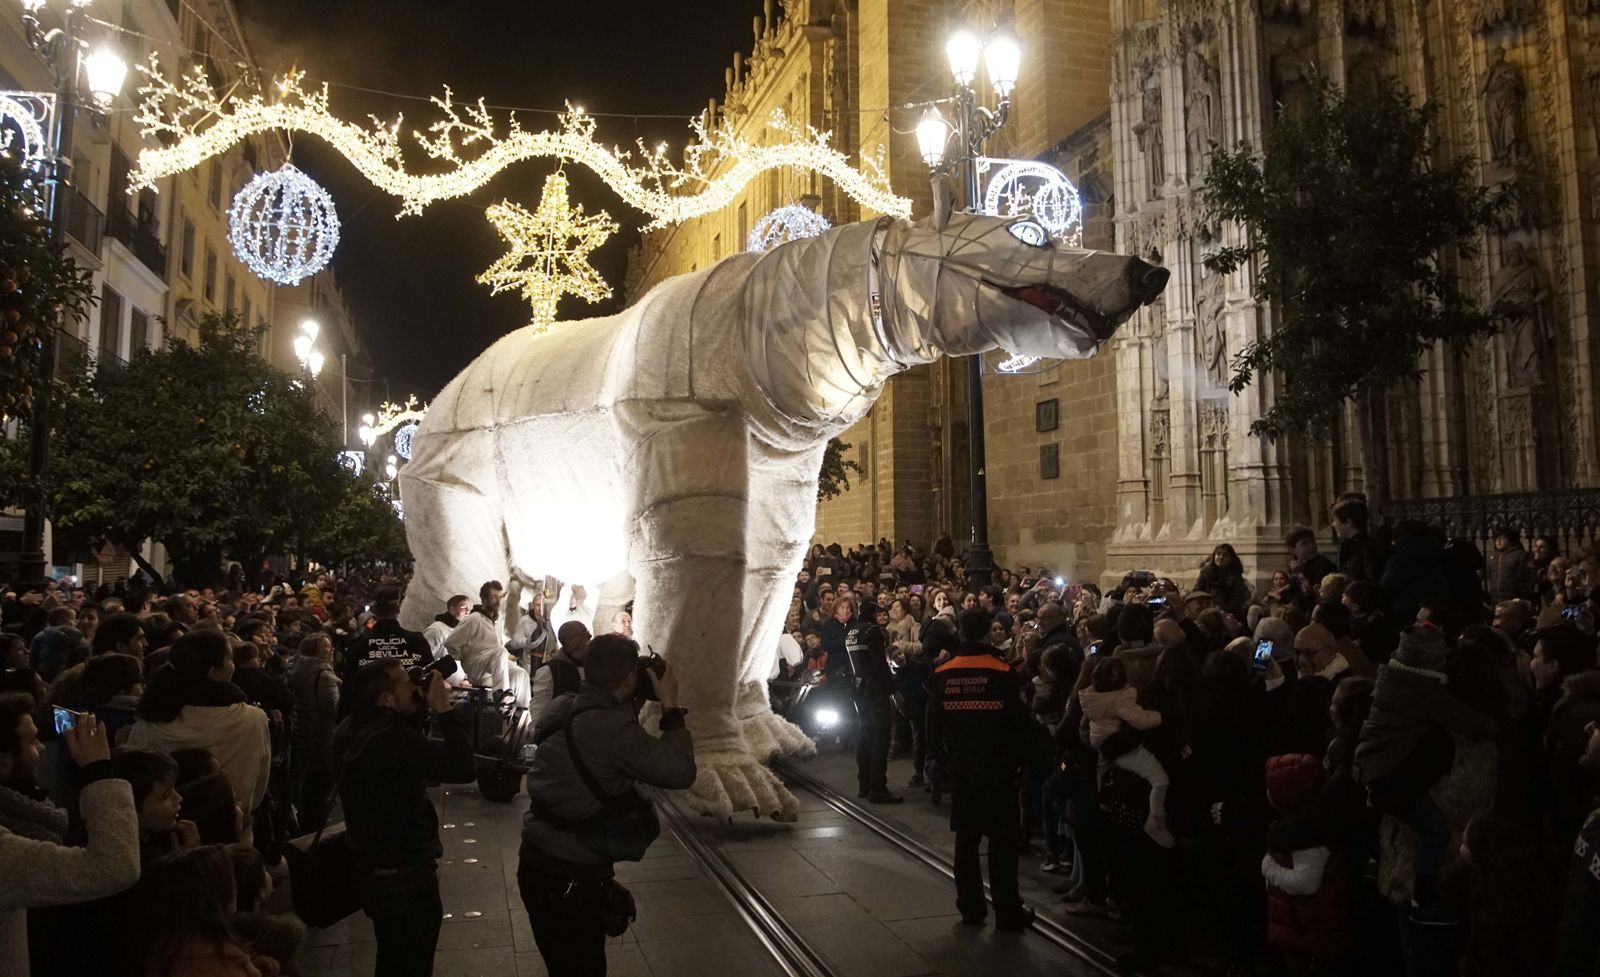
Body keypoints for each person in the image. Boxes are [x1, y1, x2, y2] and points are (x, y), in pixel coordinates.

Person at [519, 635, 696, 977]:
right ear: (630, 678)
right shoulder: (614, 730)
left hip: (535, 860)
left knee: (561, 965)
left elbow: (595, 739)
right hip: (572, 874)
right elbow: (680, 771)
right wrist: (670, 707)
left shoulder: (562, 707)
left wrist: (627, 698)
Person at [334, 660, 476, 977]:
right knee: (411, 960)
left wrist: (416, 708)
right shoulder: (392, 742)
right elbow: (463, 768)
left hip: (370, 864)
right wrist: (444, 709)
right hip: (403, 873)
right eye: (404, 683)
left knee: (393, 955)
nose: (413, 687)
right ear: (385, 699)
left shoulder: (350, 728)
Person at [0, 693, 140, 976]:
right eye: (31, 742)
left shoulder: (25, 813)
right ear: (3, 761)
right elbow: (114, 865)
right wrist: (98, 771)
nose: (41, 747)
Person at [926, 607, 1036, 930]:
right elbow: (1018, 723)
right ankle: (1007, 910)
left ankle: (971, 907)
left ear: (961, 632)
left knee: (967, 838)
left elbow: (932, 726)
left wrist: (943, 761)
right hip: (998, 767)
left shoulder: (945, 671)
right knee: (1002, 841)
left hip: (962, 765)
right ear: (989, 632)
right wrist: (1017, 762)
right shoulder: (1001, 670)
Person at [127, 631, 272, 817]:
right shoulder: (253, 719)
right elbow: (259, 787)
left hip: (161, 825)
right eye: (230, 658)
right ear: (213, 672)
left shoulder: (150, 719)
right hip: (230, 822)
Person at [134, 843, 279, 977]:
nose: (234, 883)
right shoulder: (215, 967)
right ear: (213, 893)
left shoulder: (166, 948)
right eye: (228, 877)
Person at [1078, 656, 1175, 847]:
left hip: (1102, 743)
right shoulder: (1121, 699)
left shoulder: (1092, 697)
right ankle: (1155, 821)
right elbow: (1139, 720)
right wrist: (1159, 716)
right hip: (1125, 750)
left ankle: (1103, 801)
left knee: (1104, 774)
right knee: (1160, 779)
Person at [445, 581, 530, 704]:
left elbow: (495, 649)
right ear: (484, 598)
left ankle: (522, 711)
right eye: (494, 597)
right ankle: (499, 693)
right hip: (475, 665)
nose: (498, 601)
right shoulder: (473, 619)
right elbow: (451, 642)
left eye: (500, 597)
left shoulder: (494, 622)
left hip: (491, 665)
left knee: (520, 673)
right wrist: (464, 657)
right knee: (499, 652)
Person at [288, 633, 340, 833]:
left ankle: (307, 823)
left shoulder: (298, 669)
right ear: (316, 651)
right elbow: (333, 708)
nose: (331, 650)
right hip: (322, 737)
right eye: (326, 647)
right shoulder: (323, 674)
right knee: (320, 787)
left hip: (305, 735)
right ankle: (314, 830)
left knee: (310, 785)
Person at [846, 616, 901, 803]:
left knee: (865, 734)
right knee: (881, 737)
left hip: (858, 687)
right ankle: (878, 787)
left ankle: (864, 784)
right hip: (874, 689)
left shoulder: (852, 632)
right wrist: (893, 691)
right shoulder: (872, 631)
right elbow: (880, 665)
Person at [344, 588, 430, 686]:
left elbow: (348, 688)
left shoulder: (358, 645)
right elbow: (430, 680)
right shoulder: (417, 641)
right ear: (398, 609)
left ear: (375, 609)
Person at [529, 621, 590, 727]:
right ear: (569, 641)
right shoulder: (549, 672)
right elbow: (539, 710)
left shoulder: (594, 667)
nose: (589, 637)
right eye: (583, 634)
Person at [508, 589, 555, 663]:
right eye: (538, 605)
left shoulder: (552, 620)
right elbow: (515, 642)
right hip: (529, 662)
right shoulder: (525, 620)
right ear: (533, 605)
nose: (540, 608)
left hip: (548, 662)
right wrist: (529, 642)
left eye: (543, 605)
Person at [421, 594, 470, 661]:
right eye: (464, 608)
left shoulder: (459, 633)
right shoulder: (437, 630)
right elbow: (422, 658)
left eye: (469, 609)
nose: (468, 612)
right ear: (452, 609)